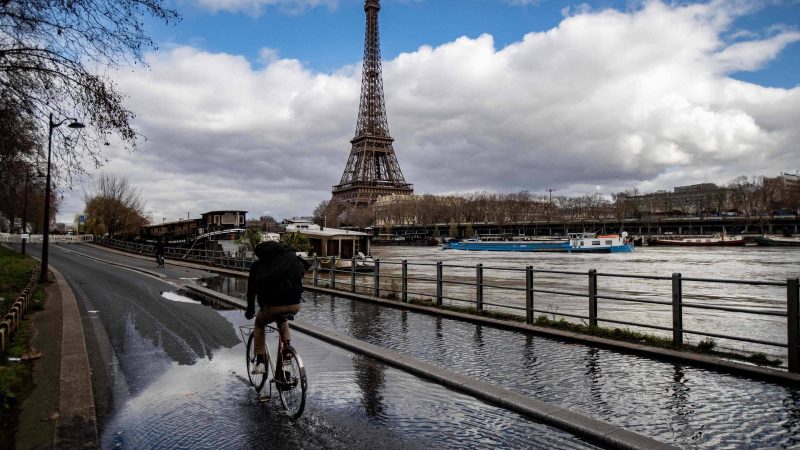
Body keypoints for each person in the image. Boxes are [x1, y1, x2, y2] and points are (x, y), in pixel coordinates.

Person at [245, 241, 310, 375]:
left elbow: (251, 291)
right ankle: (287, 349)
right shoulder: (290, 260)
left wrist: (250, 310)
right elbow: (301, 273)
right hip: (294, 305)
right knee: (282, 320)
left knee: (259, 323)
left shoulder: (259, 266)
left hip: (272, 307)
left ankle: (260, 362)